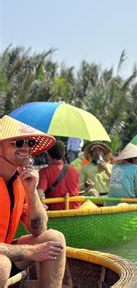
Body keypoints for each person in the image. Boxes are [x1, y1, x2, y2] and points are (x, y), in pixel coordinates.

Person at [0, 115, 66, 286]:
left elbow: (39, 229)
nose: (27, 148)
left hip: (5, 252)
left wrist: (32, 192)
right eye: (19, 142)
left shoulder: (20, 178)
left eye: (31, 143)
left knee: (54, 239)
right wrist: (30, 251)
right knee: (2, 265)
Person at [37, 140, 80, 210]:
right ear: (63, 154)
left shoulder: (44, 172)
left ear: (48, 154)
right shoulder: (74, 170)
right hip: (75, 213)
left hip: (56, 215)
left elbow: (38, 194)